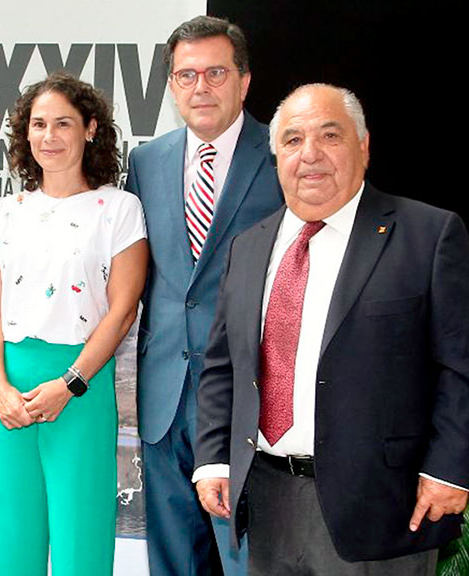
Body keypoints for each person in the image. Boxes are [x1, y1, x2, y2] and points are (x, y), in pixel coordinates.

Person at [194, 83, 469, 575]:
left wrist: (449, 468)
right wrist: (214, 459)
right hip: (270, 499)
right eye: (294, 140)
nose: (311, 155)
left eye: (330, 135)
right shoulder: (248, 247)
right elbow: (222, 366)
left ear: (363, 146)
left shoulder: (428, 235)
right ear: (276, 154)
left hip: (386, 507)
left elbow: (459, 365)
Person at [124, 15, 282, 576]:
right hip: (165, 396)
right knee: (173, 561)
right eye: (186, 75)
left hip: (252, 396)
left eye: (215, 72)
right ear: (170, 86)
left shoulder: (286, 155)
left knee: (246, 561)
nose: (200, 87)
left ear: (244, 81)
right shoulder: (145, 161)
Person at [0, 72, 148, 575]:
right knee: (13, 539)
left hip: (80, 386)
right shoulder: (7, 211)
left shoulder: (119, 209)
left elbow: (122, 312)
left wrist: (69, 383)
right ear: (24, 134)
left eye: (63, 124)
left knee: (81, 541)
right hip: (8, 387)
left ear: (91, 129)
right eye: (38, 124)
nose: (48, 136)